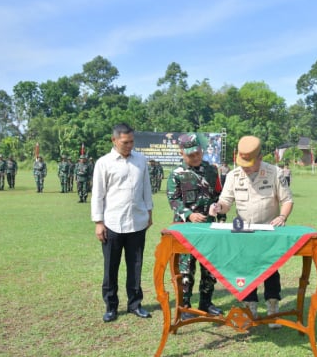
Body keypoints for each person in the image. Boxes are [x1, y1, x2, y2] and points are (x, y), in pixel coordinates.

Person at [209, 135, 293, 328]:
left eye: (249, 163)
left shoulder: (275, 173)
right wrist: (217, 207)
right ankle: (250, 307)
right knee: (246, 270)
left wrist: (282, 217)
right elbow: (226, 202)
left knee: (271, 270)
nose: (245, 167)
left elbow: (287, 200)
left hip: (268, 231)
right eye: (242, 162)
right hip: (244, 231)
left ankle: (272, 308)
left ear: (260, 157)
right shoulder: (233, 175)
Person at [91, 123, 154, 323]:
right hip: (112, 222)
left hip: (137, 221)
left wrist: (149, 213)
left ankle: (135, 304)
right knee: (111, 267)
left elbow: (146, 188)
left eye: (132, 142)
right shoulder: (104, 163)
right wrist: (98, 222)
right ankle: (111, 306)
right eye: (125, 142)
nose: (129, 146)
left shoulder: (141, 160)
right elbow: (98, 194)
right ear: (114, 140)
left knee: (135, 265)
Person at [167, 133, 225, 319]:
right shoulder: (177, 174)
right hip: (186, 229)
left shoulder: (211, 170)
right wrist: (189, 214)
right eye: (191, 154)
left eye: (198, 153)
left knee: (209, 268)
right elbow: (173, 199)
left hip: (209, 227)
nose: (196, 157)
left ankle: (206, 303)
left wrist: (219, 211)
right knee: (186, 268)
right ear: (182, 153)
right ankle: (185, 306)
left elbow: (218, 195)